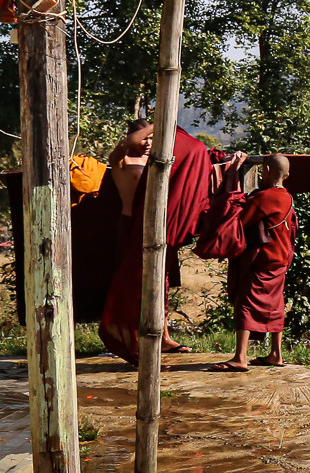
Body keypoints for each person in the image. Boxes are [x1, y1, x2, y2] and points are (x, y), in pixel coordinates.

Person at [97, 122, 245, 364]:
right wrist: (159, 121)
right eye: (145, 138)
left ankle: (163, 336)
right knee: (134, 285)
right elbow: (127, 144)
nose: (147, 144)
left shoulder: (155, 162)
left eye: (153, 139)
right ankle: (129, 336)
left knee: (161, 283)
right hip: (132, 226)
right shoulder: (122, 160)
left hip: (158, 227)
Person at [209, 154, 297, 372]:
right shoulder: (287, 197)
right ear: (286, 175)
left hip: (262, 260)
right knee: (276, 305)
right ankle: (276, 354)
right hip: (281, 259)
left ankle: (240, 357)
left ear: (265, 170)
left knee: (245, 304)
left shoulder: (264, 198)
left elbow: (241, 221)